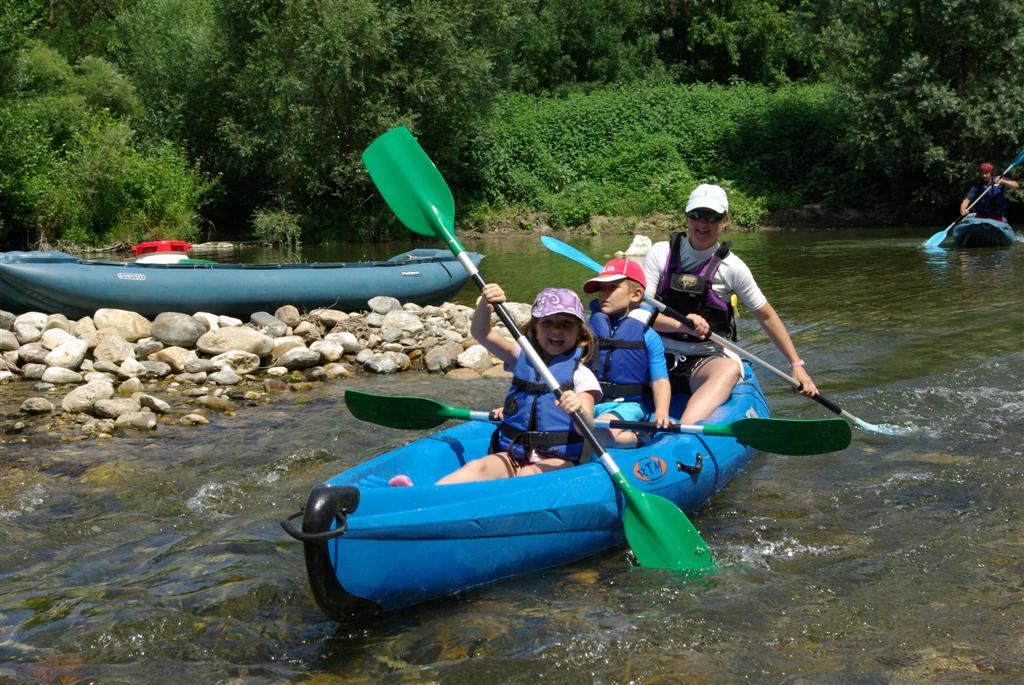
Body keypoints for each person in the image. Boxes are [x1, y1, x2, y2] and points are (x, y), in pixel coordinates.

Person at [641, 183, 819, 424]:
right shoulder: (659, 253)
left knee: (729, 370)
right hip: (656, 353)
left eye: (712, 217)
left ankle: (683, 430)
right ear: (686, 217)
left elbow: (765, 316)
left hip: (703, 359)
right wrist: (683, 325)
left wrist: (796, 365)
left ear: (724, 220)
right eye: (696, 215)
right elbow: (642, 312)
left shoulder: (733, 268)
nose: (702, 224)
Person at [429, 286, 602, 485]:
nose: (556, 330)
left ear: (580, 333)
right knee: (476, 467)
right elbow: (481, 333)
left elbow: (588, 427)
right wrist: (486, 305)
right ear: (535, 329)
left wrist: (578, 408)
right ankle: (422, 498)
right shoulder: (520, 356)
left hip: (559, 460)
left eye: (567, 324)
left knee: (528, 475)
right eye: (547, 322)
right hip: (513, 453)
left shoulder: (581, 375)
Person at [583, 258, 672, 447]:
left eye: (612, 288)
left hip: (627, 406)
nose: (603, 294)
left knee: (598, 435)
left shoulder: (648, 336)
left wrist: (662, 412)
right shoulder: (587, 331)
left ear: (636, 294)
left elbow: (660, 379)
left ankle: (640, 438)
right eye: (601, 289)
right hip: (589, 401)